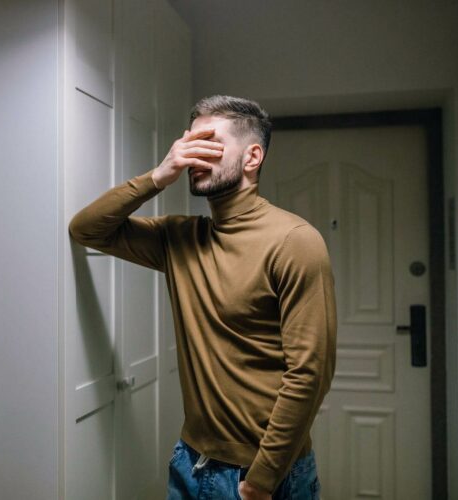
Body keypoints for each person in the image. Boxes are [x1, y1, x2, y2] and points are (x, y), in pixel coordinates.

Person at [68, 95, 336, 500]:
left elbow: (310, 374)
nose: (193, 157)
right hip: (190, 461)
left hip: (263, 474)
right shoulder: (180, 238)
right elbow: (86, 228)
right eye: (188, 144)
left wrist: (261, 480)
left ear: (252, 157)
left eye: (209, 145)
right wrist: (158, 176)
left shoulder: (296, 242)